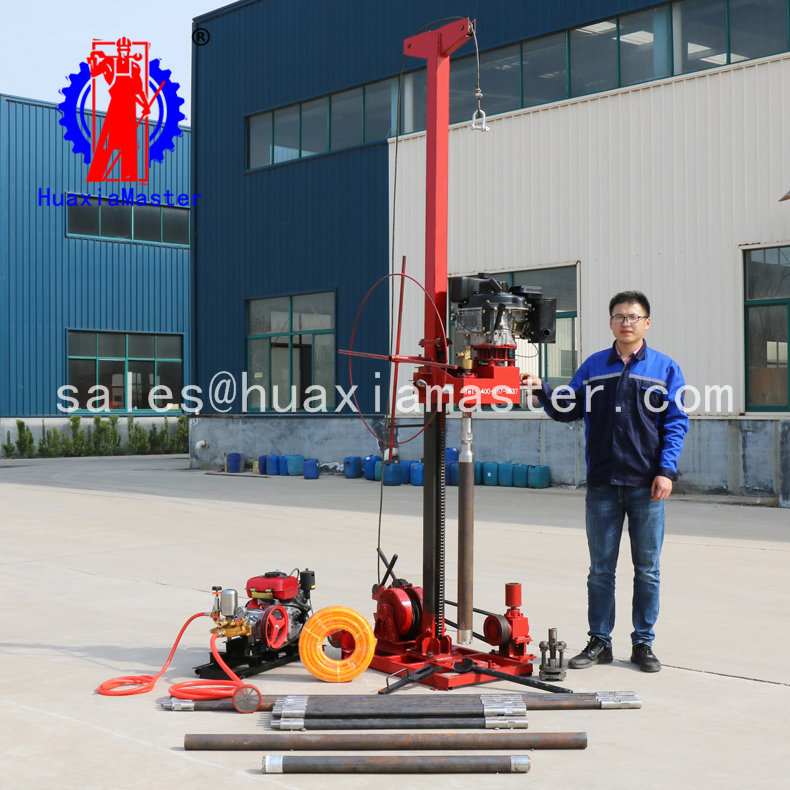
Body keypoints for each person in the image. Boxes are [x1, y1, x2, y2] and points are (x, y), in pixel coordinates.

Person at [521, 291, 688, 672]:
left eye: (633, 316)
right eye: (619, 317)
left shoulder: (665, 369)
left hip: (647, 485)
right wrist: (542, 388)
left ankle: (643, 643)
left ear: (647, 323)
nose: (626, 322)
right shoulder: (594, 366)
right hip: (602, 484)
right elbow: (568, 408)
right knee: (600, 570)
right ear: (611, 322)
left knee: (647, 570)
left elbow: (676, 423)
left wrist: (666, 470)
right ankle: (600, 641)